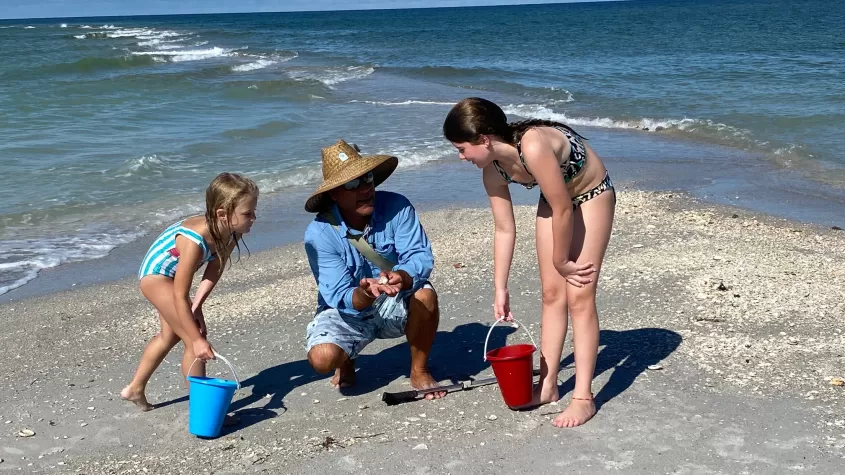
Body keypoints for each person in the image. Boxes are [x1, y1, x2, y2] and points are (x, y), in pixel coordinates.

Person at [443, 98, 615, 427]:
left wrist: (562, 260)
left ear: (484, 139)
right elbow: (504, 229)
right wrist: (500, 288)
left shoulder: (532, 145)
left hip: (592, 193)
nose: (460, 157)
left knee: (579, 295)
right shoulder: (493, 170)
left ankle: (583, 397)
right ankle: (548, 386)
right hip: (557, 198)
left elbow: (565, 208)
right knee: (552, 294)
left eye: (462, 148)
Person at [303, 139, 444, 399]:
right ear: (334, 193)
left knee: (425, 294)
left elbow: (420, 256)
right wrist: (366, 293)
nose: (365, 189)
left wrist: (401, 276)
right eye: (352, 184)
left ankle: (419, 369)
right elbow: (338, 296)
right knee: (322, 358)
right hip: (348, 310)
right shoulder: (319, 233)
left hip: (395, 299)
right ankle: (345, 360)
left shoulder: (397, 207)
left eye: (366, 178)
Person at [121, 172, 259, 412]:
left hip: (173, 279)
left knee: (169, 336)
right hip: (156, 277)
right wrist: (197, 339)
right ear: (222, 215)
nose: (254, 218)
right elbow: (178, 294)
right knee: (191, 339)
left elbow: (215, 268)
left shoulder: (232, 231)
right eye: (248, 213)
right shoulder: (193, 241)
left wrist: (198, 304)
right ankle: (203, 410)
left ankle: (135, 388)